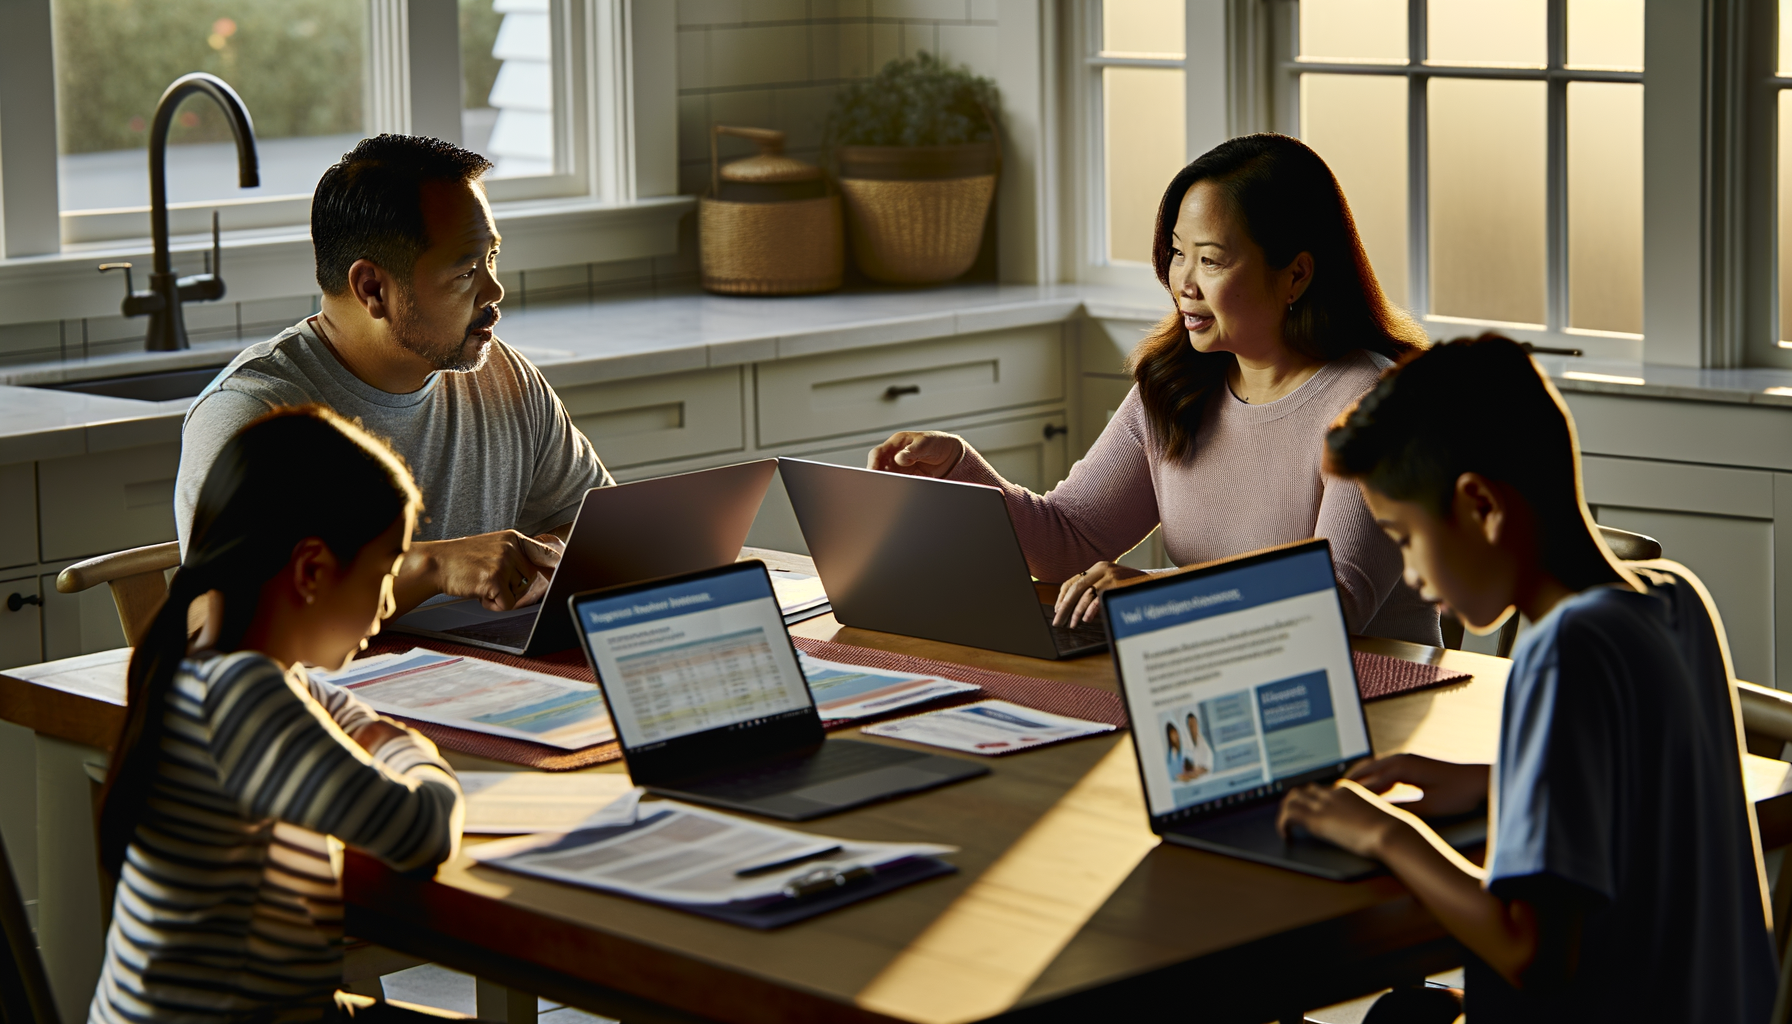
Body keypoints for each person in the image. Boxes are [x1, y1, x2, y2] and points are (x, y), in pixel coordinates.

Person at [1275, 335, 1775, 1023]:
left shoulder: (1566, 648)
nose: (1413, 577)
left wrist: (1384, 833)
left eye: (1404, 538)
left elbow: (1530, 951)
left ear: (1481, 506)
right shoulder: (1674, 601)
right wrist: (1500, 774)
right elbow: (1646, 776)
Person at [867, 133, 1438, 645]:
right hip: (1214, 678)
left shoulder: (1377, 405)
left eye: (1210, 260)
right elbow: (1068, 541)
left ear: (1296, 274)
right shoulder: (1176, 384)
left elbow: (1335, 602)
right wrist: (958, 469)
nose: (1181, 282)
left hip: (1371, 703)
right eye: (1177, 253)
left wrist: (1155, 592)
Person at [91, 405, 464, 1024]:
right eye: (385, 573)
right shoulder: (241, 698)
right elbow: (420, 831)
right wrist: (411, 751)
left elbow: (334, 708)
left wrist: (368, 730)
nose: (391, 601)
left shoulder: (210, 666)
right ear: (312, 570)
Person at [175, 134, 611, 618]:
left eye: (491, 258)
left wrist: (546, 554)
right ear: (372, 288)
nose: (495, 290)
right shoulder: (252, 416)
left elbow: (601, 531)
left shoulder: (505, 380)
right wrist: (432, 568)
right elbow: (218, 615)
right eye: (466, 271)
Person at [1184, 710, 1213, 779]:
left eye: (1194, 725)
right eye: (1190, 725)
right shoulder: (1185, 745)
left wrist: (1194, 772)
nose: (1192, 727)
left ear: (1197, 725)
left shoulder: (1205, 747)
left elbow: (1206, 769)